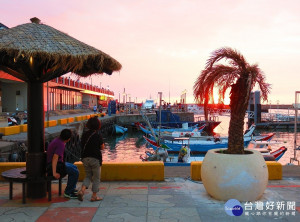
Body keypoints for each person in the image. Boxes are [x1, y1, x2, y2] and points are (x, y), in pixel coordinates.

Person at [77, 116, 104, 202]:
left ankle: (82, 190)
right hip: (95, 159)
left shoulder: (84, 135)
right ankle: (94, 196)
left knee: (88, 176)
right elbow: (102, 147)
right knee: (96, 178)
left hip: (85, 158)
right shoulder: (98, 135)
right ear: (98, 125)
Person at [46, 129, 79, 199]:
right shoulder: (61, 144)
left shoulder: (57, 140)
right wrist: (54, 172)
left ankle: (72, 188)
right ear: (68, 139)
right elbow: (55, 158)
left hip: (58, 163)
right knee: (75, 172)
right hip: (55, 166)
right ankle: (68, 192)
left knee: (74, 167)